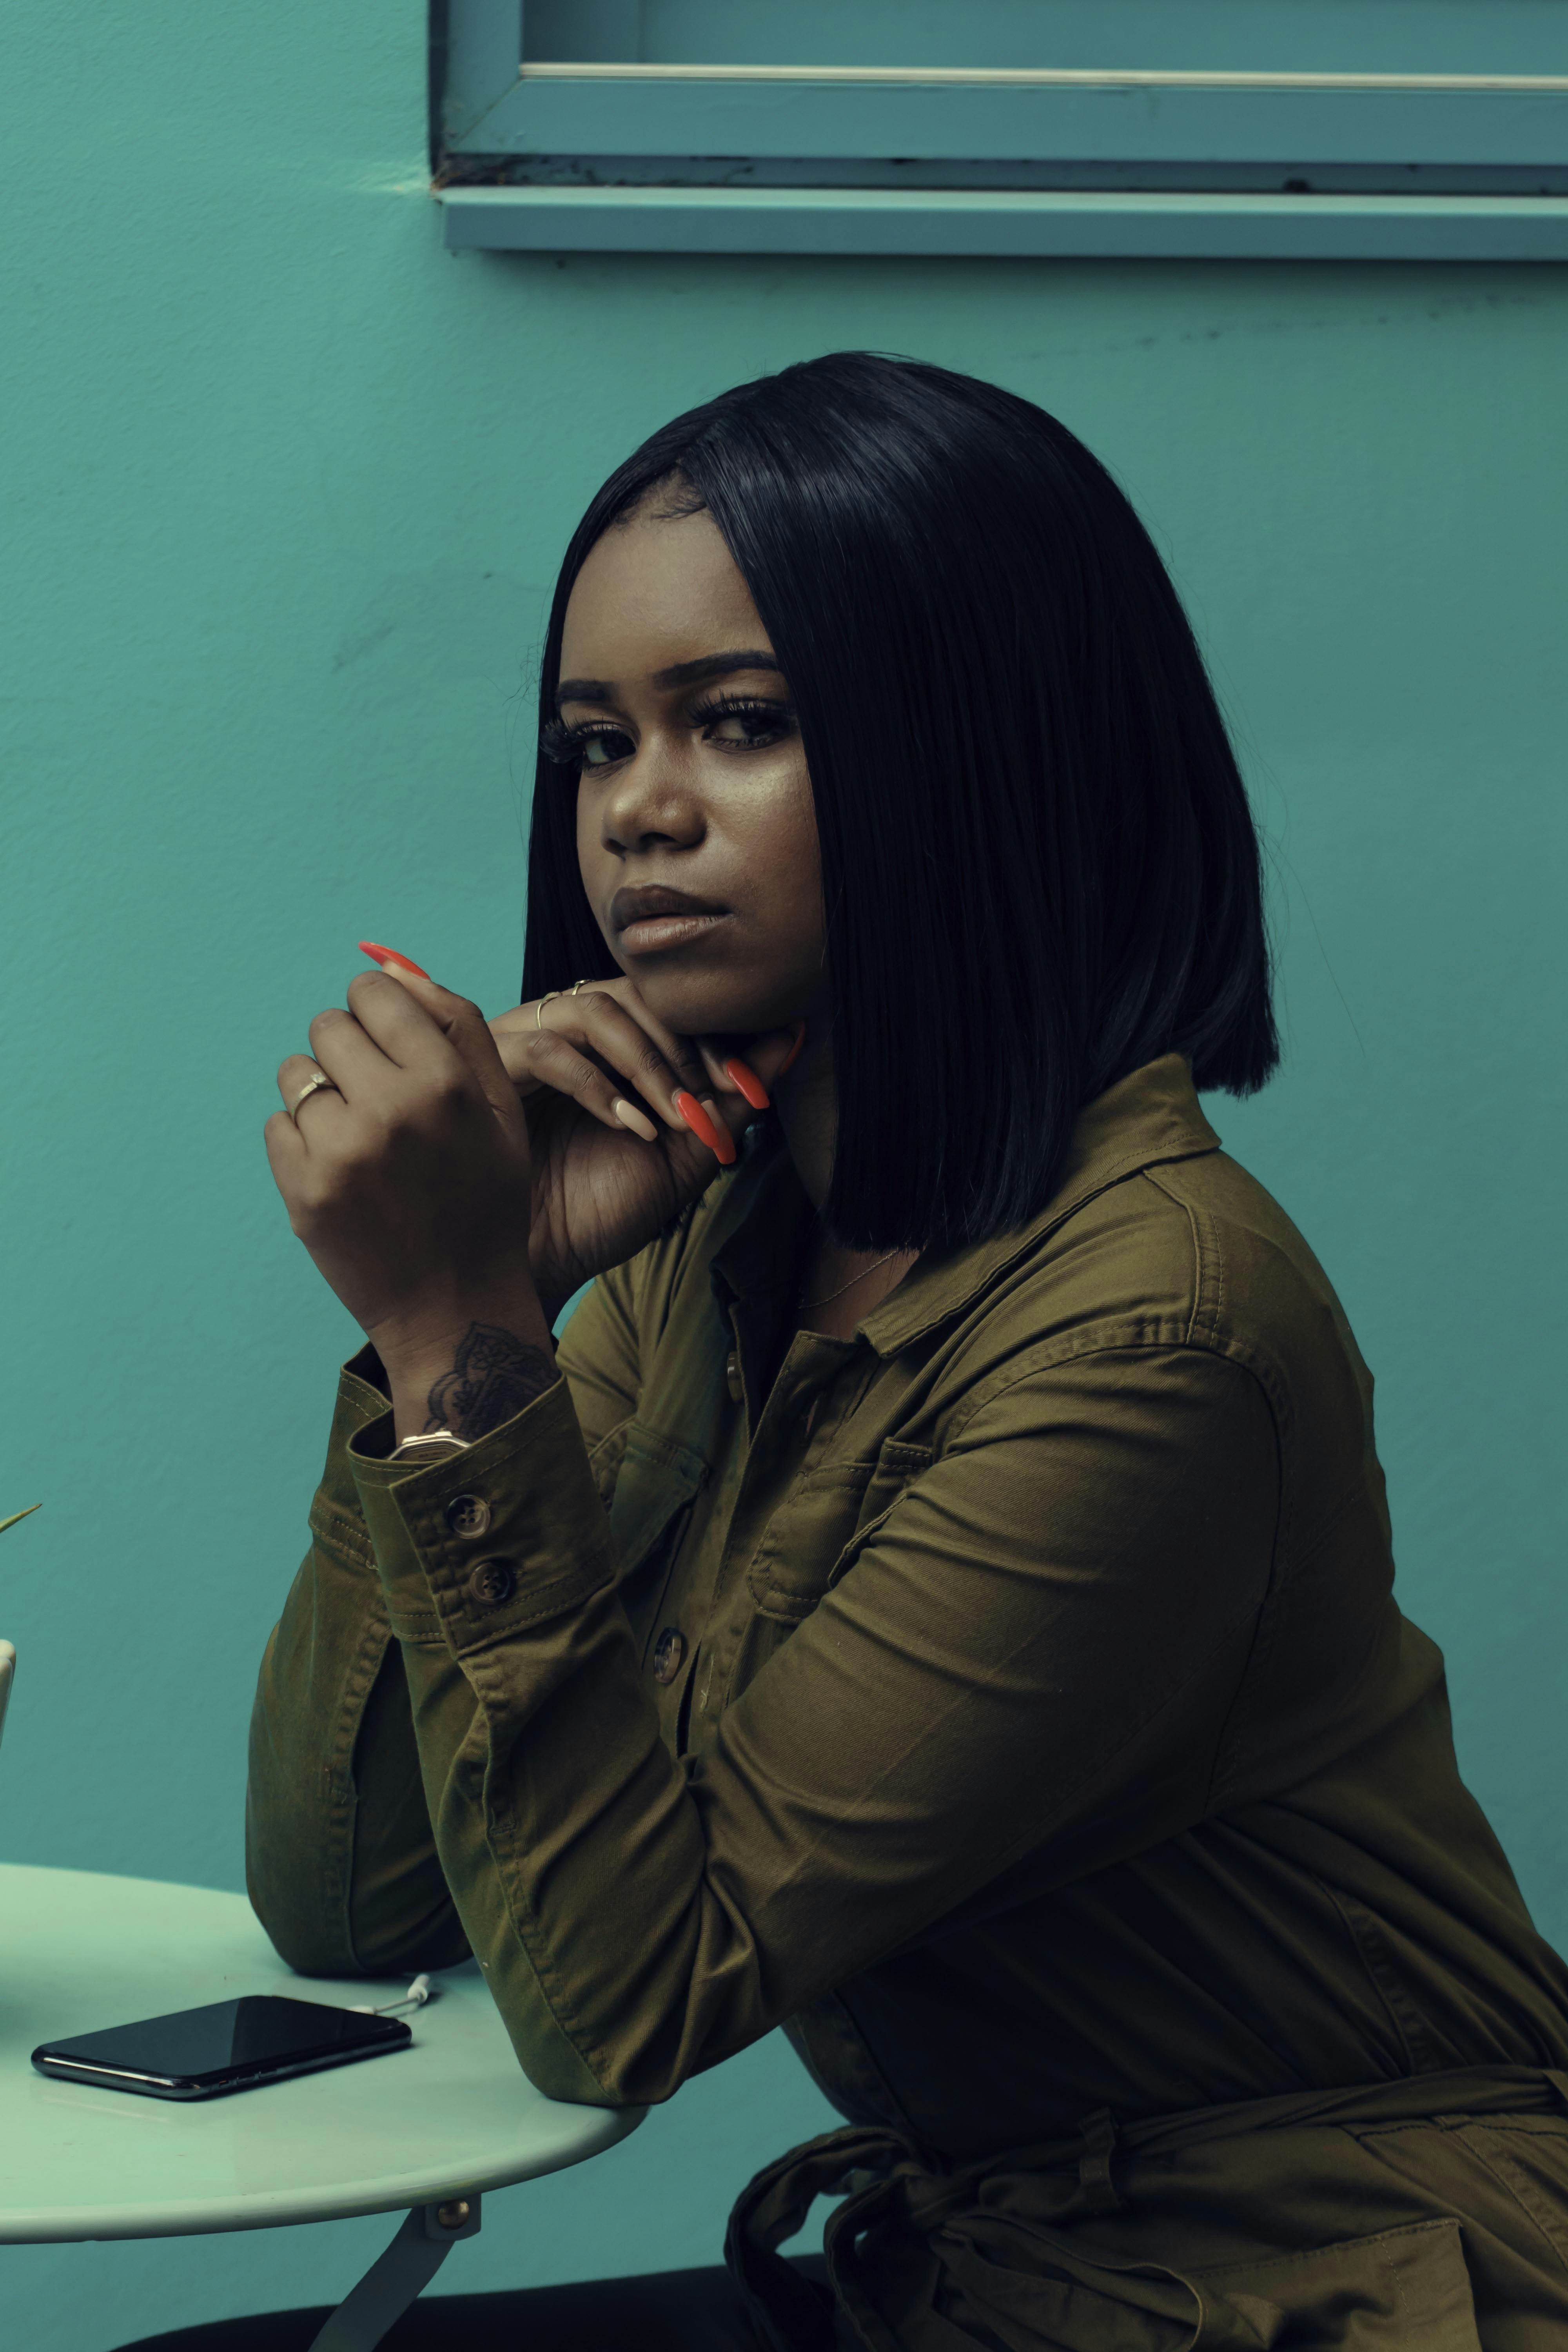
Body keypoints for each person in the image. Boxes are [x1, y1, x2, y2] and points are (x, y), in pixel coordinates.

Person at [127, 355, 1568, 2349]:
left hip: (1325, 2284)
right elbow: (356, 1901)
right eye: (593, 744)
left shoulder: (1155, 1332)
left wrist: (452, 1319)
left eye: (741, 724)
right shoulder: (721, 1244)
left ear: (986, 748)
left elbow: (621, 2006)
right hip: (989, 2269)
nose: (637, 812)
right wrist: (459, 1330)